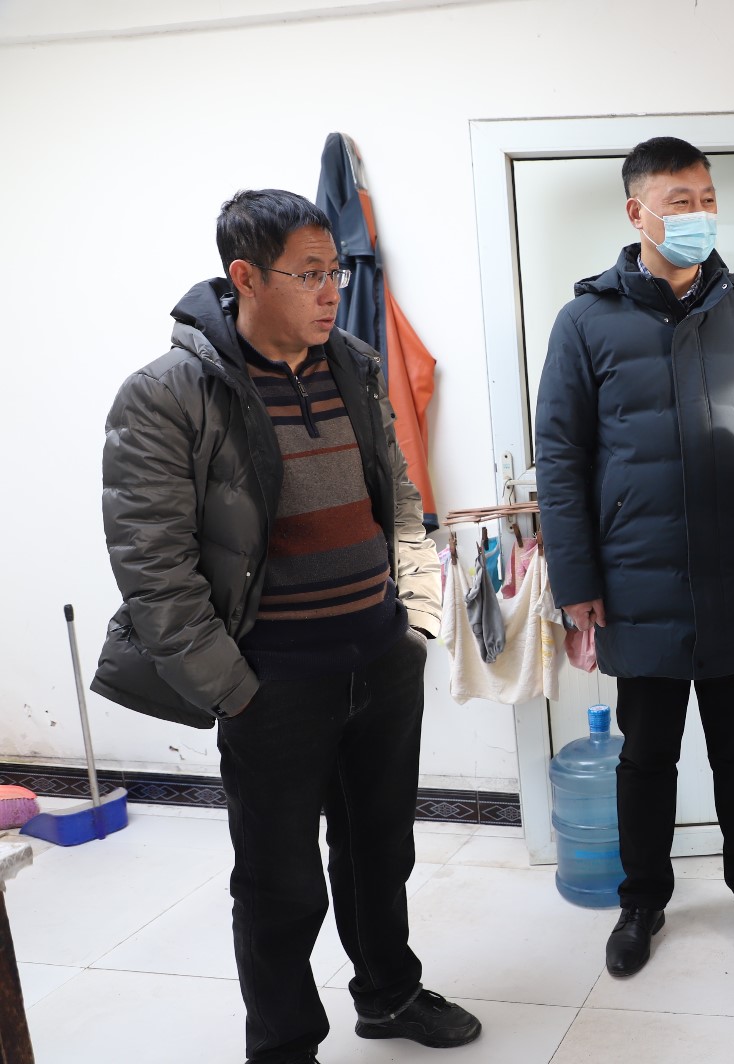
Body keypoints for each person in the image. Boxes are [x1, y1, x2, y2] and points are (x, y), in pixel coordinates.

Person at [93, 190, 480, 1064]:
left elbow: (399, 497)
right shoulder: (167, 395)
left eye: (333, 271)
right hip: (272, 684)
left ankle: (389, 994)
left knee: (380, 855)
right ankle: (284, 1045)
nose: (330, 290)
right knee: (280, 884)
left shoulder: (354, 365)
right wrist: (235, 690)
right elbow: (153, 567)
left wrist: (415, 620)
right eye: (309, 274)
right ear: (245, 277)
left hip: (380, 659)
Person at [535, 137, 734, 977]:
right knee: (647, 754)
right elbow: (560, 459)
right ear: (638, 213)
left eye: (707, 198)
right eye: (680, 201)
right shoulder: (585, 322)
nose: (699, 214)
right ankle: (641, 902)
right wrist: (577, 580)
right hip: (637, 579)